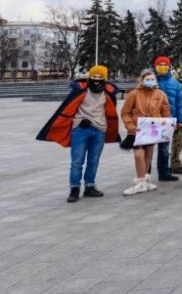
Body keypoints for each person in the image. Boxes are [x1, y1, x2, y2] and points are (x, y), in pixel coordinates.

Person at [37, 65, 121, 203]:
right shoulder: (80, 90)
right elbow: (69, 108)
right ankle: (74, 189)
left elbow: (110, 111)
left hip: (99, 130)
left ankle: (90, 186)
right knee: (77, 161)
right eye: (94, 76)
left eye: (100, 77)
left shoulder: (108, 93)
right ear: (89, 77)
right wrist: (79, 121)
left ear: (104, 78)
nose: (96, 79)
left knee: (93, 161)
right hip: (80, 130)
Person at [120, 69, 171, 196]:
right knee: (139, 155)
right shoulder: (134, 94)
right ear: (142, 80)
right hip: (137, 130)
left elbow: (166, 112)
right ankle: (140, 181)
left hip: (153, 129)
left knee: (148, 155)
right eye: (147, 79)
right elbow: (125, 112)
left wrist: (166, 125)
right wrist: (130, 126)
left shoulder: (160, 94)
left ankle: (145, 180)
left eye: (152, 79)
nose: (150, 81)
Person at [153, 56, 182, 182]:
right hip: (151, 120)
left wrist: (180, 120)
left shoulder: (175, 84)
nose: (162, 67)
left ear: (169, 67)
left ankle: (164, 173)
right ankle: (144, 174)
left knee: (164, 148)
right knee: (147, 149)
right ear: (155, 67)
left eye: (165, 65)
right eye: (159, 65)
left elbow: (179, 103)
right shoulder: (151, 80)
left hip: (168, 120)